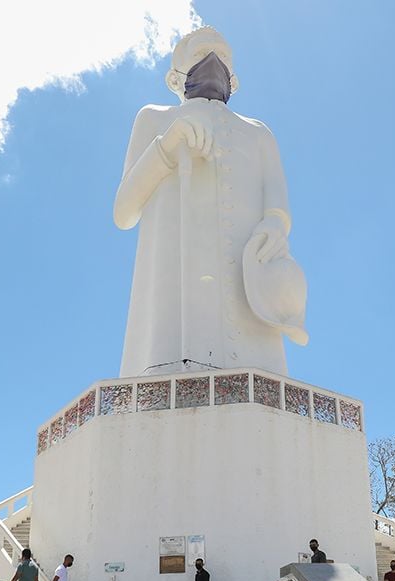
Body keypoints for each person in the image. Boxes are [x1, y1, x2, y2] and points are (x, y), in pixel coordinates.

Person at [112, 26, 308, 379]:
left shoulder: (259, 133)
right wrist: (166, 147)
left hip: (248, 284)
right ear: (175, 77)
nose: (213, 61)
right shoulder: (154, 119)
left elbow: (277, 205)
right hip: (173, 290)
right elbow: (124, 211)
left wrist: (275, 227)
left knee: (260, 376)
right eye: (200, 52)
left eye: (224, 56)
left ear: (235, 77)